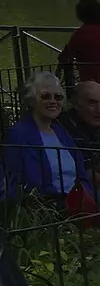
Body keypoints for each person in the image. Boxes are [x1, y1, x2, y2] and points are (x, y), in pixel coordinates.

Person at [2, 74, 93, 204]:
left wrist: (85, 196)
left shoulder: (60, 131)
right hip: (47, 206)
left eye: (58, 97)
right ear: (32, 100)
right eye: (45, 96)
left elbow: (81, 173)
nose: (53, 101)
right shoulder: (18, 134)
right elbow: (16, 181)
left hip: (78, 201)